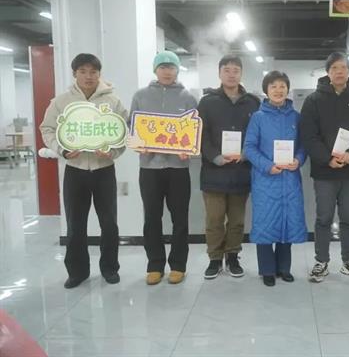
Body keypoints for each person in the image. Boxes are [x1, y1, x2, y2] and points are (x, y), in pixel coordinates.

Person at [40, 53, 127, 288]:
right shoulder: (61, 101)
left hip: (104, 169)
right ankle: (77, 272)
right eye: (83, 71)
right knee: (75, 224)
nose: (88, 76)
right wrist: (62, 149)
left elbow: (124, 131)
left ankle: (110, 268)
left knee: (109, 223)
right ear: (74, 74)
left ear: (99, 74)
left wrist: (113, 152)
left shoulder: (113, 102)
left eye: (93, 72)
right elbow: (47, 128)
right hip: (75, 170)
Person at [300, 52, 349, 282]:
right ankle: (321, 261)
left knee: (348, 217)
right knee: (323, 217)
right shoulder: (313, 100)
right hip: (324, 170)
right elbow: (308, 135)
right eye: (334, 68)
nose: (339, 71)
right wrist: (327, 159)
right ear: (328, 72)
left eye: (343, 67)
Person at [129, 50, 197, 285]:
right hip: (149, 168)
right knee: (151, 218)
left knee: (180, 219)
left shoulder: (188, 97)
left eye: (171, 67)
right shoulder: (141, 96)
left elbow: (195, 131)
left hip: (178, 168)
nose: (167, 71)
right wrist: (139, 145)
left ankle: (178, 265)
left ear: (177, 70)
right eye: (163, 67)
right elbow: (132, 128)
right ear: (155, 70)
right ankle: (155, 265)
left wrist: (189, 149)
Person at [197, 55, 260, 279]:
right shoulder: (207, 102)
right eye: (227, 70)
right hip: (214, 171)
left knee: (237, 220)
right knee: (214, 220)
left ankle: (233, 256)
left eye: (236, 70)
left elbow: (258, 133)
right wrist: (215, 156)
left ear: (241, 74)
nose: (231, 74)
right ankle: (214, 259)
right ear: (219, 73)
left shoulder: (253, 102)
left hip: (241, 171)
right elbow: (200, 135)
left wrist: (247, 153)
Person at [244, 71, 307, 286]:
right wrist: (267, 166)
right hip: (266, 180)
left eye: (282, 86)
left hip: (290, 178)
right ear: (266, 90)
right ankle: (267, 270)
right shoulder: (258, 117)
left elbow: (303, 146)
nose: (278, 90)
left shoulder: (296, 117)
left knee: (288, 221)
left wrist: (298, 160)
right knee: (265, 223)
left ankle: (284, 268)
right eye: (273, 86)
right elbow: (249, 147)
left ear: (288, 89)